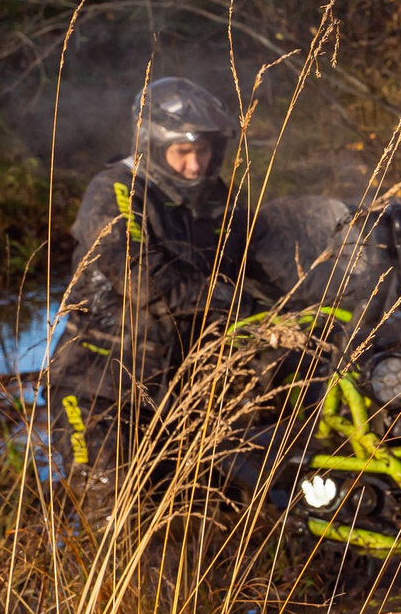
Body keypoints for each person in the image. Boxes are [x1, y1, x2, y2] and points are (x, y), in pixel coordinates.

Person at [46, 76, 256, 490]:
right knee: (107, 502)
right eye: (183, 152)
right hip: (99, 387)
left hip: (180, 389)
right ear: (154, 146)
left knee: (207, 509)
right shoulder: (114, 191)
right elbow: (140, 276)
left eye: (203, 151)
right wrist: (230, 300)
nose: (195, 165)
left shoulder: (218, 199)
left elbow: (252, 263)